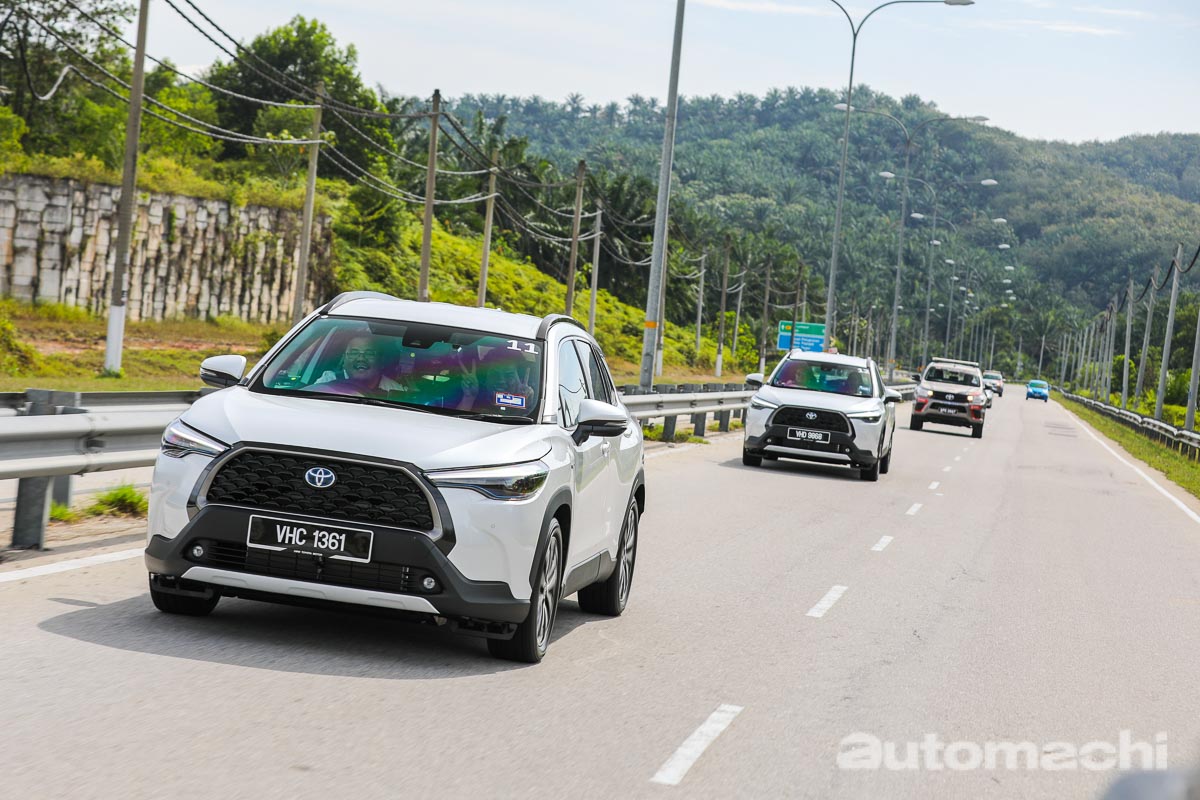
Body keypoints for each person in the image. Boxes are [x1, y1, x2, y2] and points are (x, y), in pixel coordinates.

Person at [312, 335, 406, 397]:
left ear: (380, 360)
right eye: (354, 353)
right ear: (344, 359)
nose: (361, 358)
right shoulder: (327, 382)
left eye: (369, 354)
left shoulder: (395, 391)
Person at [457, 346, 537, 411]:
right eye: (495, 375)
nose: (501, 381)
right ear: (486, 378)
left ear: (521, 380)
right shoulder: (477, 399)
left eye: (508, 375)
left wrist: (527, 404)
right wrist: (469, 398)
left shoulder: (528, 404)